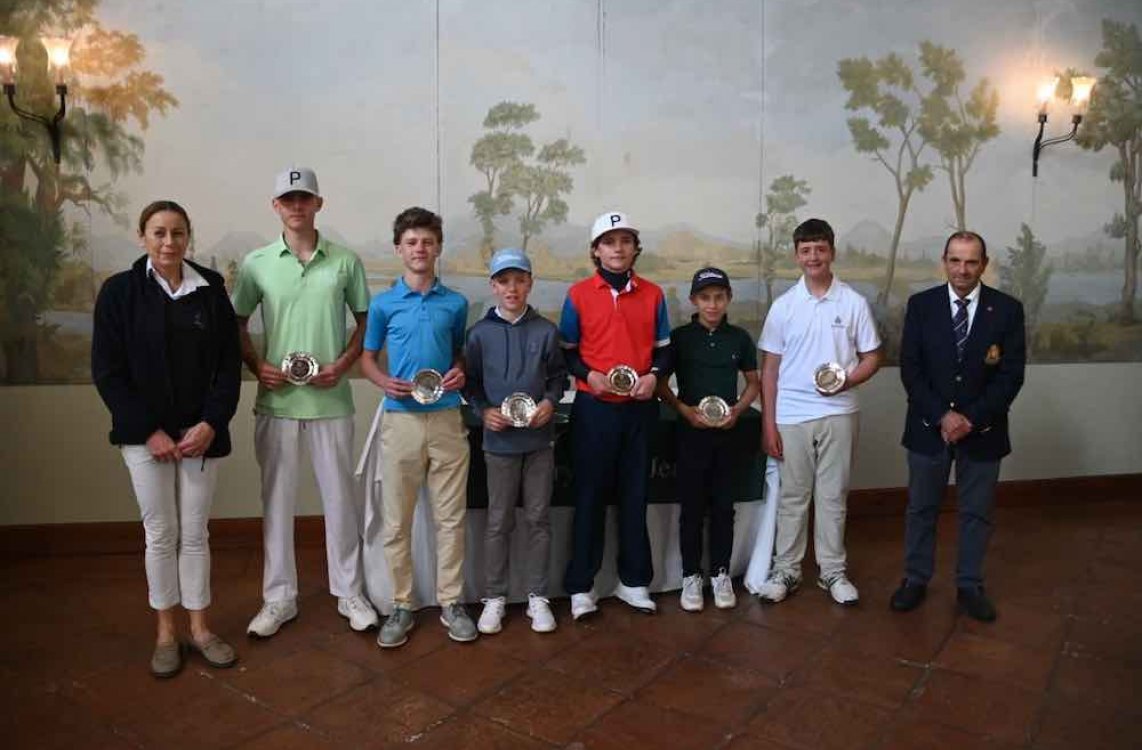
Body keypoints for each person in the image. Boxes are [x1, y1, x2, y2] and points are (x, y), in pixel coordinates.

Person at [92, 200, 242, 677]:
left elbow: (227, 368)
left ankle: (200, 629)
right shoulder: (119, 293)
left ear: (188, 237)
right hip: (145, 440)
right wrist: (148, 432)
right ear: (143, 237)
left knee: (195, 534)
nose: (168, 242)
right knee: (160, 534)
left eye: (177, 233)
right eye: (158, 233)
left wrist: (211, 423)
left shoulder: (211, 290)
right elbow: (108, 373)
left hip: (200, 436)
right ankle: (166, 633)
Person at [233, 167, 376, 638]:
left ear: (319, 203)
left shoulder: (344, 262)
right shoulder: (257, 263)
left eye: (305, 198)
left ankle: (349, 592)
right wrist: (257, 366)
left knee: (340, 500)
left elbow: (364, 322)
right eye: (288, 199)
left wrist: (343, 364)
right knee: (276, 502)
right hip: (276, 403)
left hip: (331, 399)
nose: (296, 206)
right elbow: (235, 323)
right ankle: (278, 599)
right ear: (276, 206)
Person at [891, 231, 1026, 622]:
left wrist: (971, 419)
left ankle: (969, 585)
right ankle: (915, 579)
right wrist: (943, 416)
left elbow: (1010, 376)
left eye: (971, 261)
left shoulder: (1007, 310)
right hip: (927, 427)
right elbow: (911, 371)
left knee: (977, 512)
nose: (962, 269)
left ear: (984, 264)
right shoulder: (922, 306)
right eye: (955, 260)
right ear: (944, 261)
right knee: (921, 508)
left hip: (982, 432)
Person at [360, 207, 475, 647]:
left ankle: (451, 602)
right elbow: (368, 358)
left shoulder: (456, 303)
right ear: (398, 249)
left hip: (447, 418)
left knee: (450, 518)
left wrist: (461, 370)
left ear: (438, 248)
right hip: (400, 421)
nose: (420, 249)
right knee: (397, 521)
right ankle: (402, 605)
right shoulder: (384, 303)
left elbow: (462, 353)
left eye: (427, 241)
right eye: (411, 242)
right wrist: (381, 380)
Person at [756, 218, 882, 606]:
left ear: (832, 252)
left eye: (820, 249)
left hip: (839, 412)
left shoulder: (853, 302)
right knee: (793, 496)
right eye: (806, 250)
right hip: (790, 416)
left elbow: (872, 357)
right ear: (797, 255)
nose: (814, 257)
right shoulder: (784, 307)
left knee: (832, 496)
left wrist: (846, 381)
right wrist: (768, 424)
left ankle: (832, 572)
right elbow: (770, 370)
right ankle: (787, 570)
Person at [559, 211, 672, 619]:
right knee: (588, 496)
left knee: (635, 495)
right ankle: (581, 587)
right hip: (594, 409)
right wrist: (589, 374)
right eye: (609, 241)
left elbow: (664, 349)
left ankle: (634, 581)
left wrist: (655, 375)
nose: (618, 248)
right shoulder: (577, 295)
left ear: (634, 247)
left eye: (625, 240)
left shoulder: (654, 294)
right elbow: (567, 352)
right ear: (596, 250)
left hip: (640, 409)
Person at [464, 248, 567, 634]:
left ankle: (538, 596)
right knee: (498, 520)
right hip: (499, 444)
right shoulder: (479, 334)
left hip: (540, 443)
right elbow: (471, 383)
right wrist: (483, 410)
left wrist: (549, 401)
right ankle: (494, 598)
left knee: (539, 519)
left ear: (530, 284)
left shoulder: (546, 331)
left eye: (519, 280)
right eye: (504, 281)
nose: (512, 288)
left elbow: (558, 377)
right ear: (493, 286)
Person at [657, 267, 759, 612]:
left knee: (722, 508)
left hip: (728, 435)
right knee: (691, 508)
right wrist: (684, 410)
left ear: (729, 298)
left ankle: (720, 574)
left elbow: (753, 383)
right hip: (690, 435)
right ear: (693, 301)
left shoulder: (740, 338)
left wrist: (737, 410)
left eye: (719, 297)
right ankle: (690, 576)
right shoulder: (679, 338)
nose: (712, 304)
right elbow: (659, 384)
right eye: (705, 298)